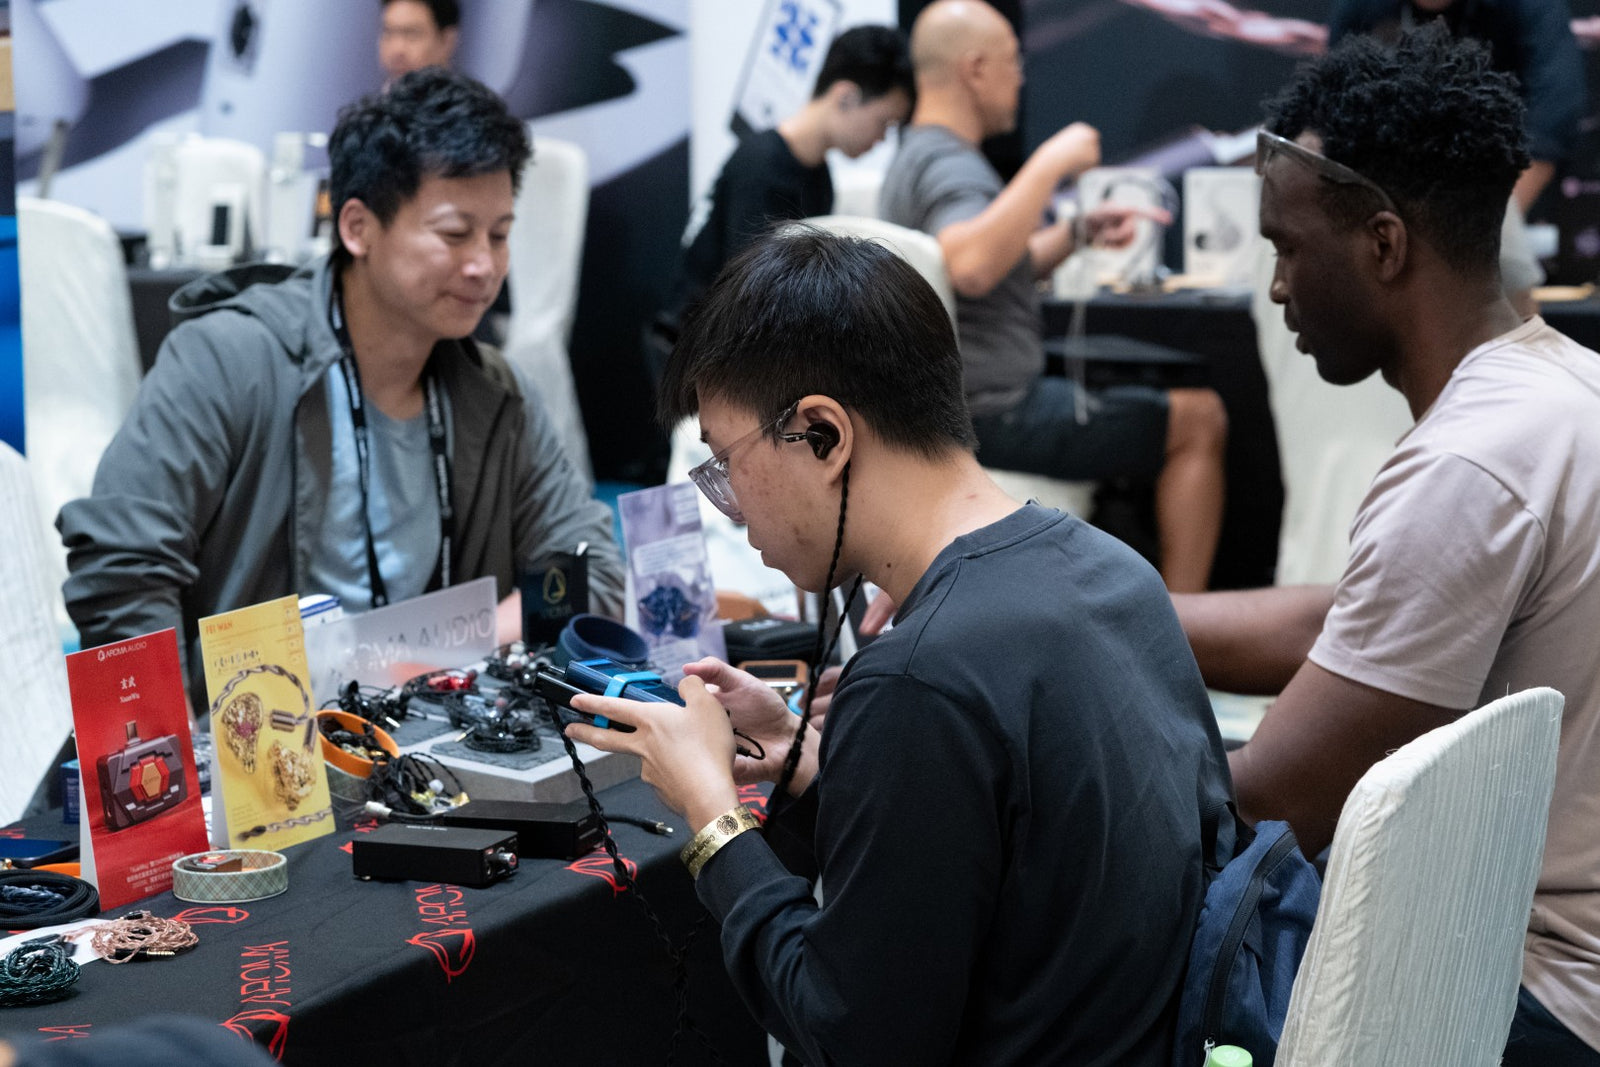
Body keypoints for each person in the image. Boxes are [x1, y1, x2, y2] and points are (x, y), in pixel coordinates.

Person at [567, 228, 1232, 1066]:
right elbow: (1024, 857)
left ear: (823, 434)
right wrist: (812, 762)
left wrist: (712, 812)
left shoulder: (921, 677)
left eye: (725, 464)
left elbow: (848, 1034)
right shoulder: (1116, 571)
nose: (730, 507)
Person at [1174, 26, 1600, 1064]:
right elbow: (1357, 618)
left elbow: (1270, 802)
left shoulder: (1467, 463)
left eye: (1286, 247)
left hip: (1524, 992)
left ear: (1382, 244)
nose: (1275, 289)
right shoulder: (1563, 387)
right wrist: (1091, 605)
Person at [58, 68, 624, 708]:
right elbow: (121, 565)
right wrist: (178, 733)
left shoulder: (496, 394)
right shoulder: (233, 358)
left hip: (431, 745)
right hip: (261, 751)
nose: (485, 266)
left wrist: (431, 656)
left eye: (499, 234)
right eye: (455, 233)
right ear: (357, 227)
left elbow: (589, 572)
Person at [880, 0, 1228, 593]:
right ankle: (1186, 630)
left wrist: (1075, 232)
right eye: (1015, 63)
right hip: (996, 410)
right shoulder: (953, 168)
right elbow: (967, 266)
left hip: (967, 406)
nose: (1022, 79)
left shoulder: (915, 157)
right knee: (1201, 419)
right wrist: (1050, 164)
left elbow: (991, 262)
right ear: (976, 68)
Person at [666, 25, 914, 328]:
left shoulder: (819, 175)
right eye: (884, 122)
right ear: (846, 96)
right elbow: (748, 297)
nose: (882, 138)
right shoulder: (761, 166)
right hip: (703, 345)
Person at [1328, 0, 1585, 213]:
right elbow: (1330, 109)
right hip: (1386, 193)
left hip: (1499, 189)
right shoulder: (1362, 8)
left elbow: (1553, 120)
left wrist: (1500, 226)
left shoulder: (1528, 8)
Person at [379, 0, 460, 85]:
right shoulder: (378, 97)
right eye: (388, 32)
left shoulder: (468, 97)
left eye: (412, 34)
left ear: (447, 41)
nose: (397, 49)